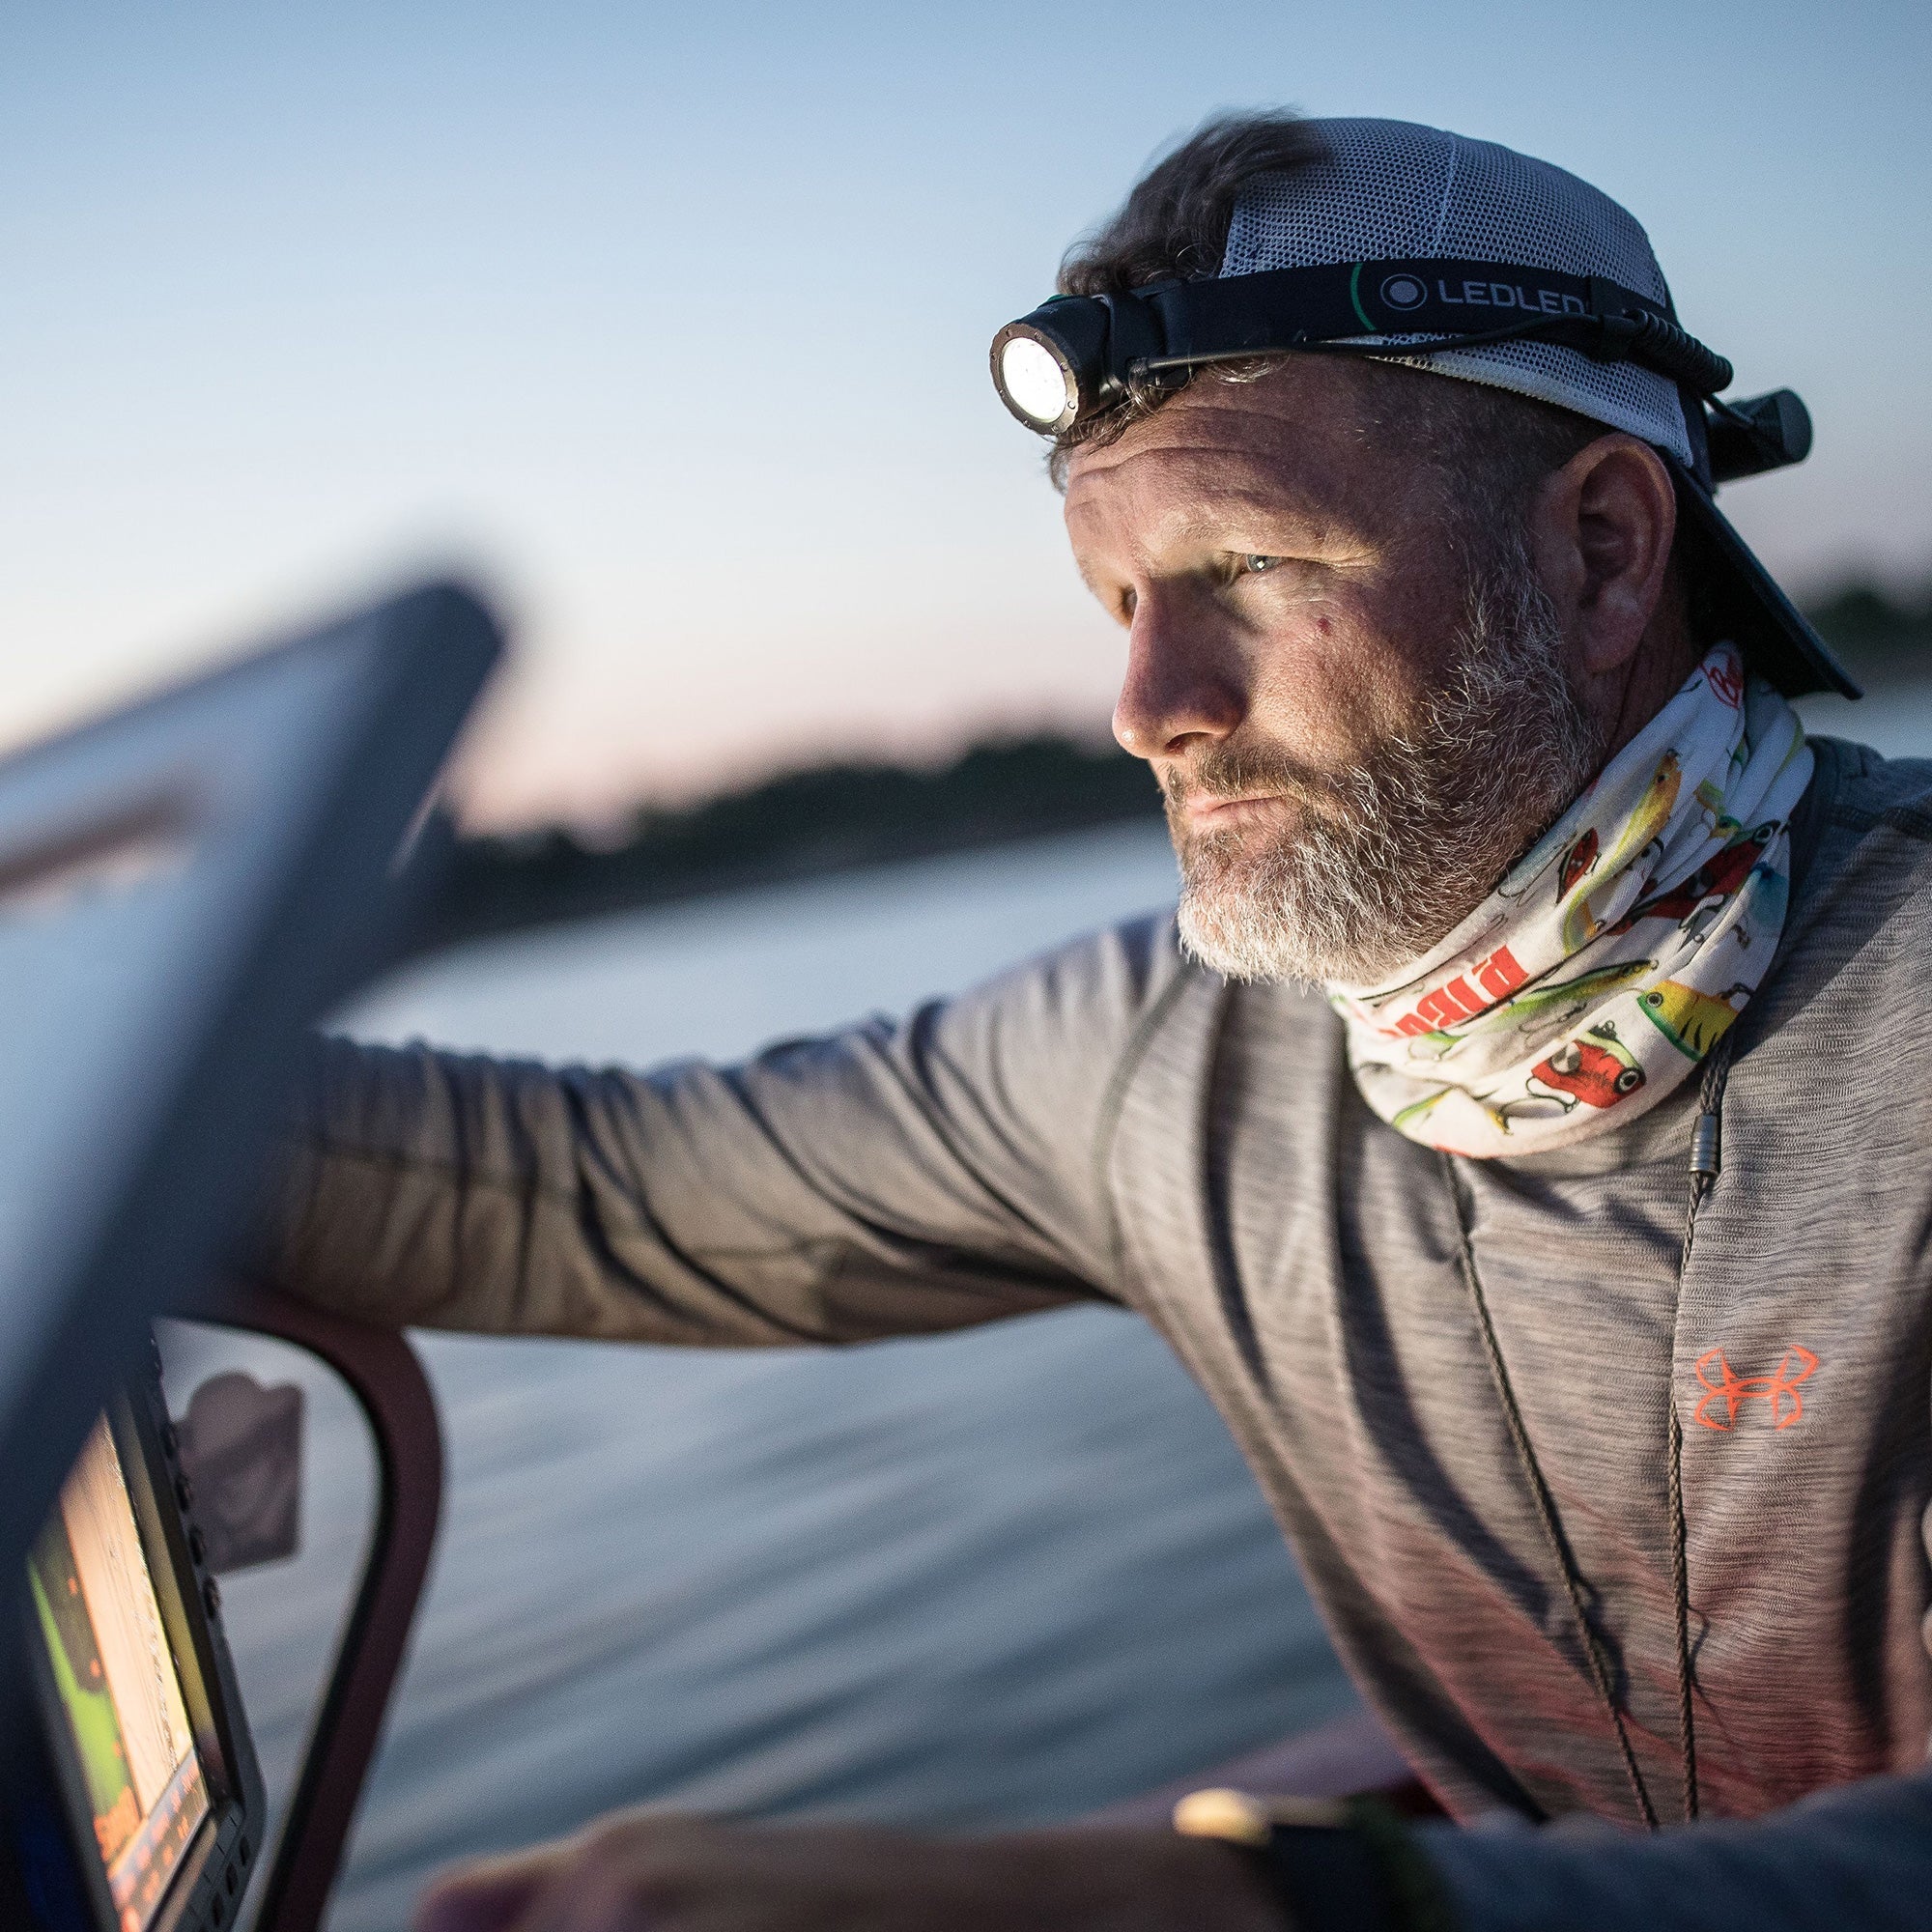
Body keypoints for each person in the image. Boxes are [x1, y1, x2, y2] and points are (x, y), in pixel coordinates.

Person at [260, 114, 1932, 1930]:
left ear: (1606, 550)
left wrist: (1233, 1907)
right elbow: (587, 1191)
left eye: (1253, 571)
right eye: (1120, 601)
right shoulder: (1179, 1065)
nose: (1147, 706)